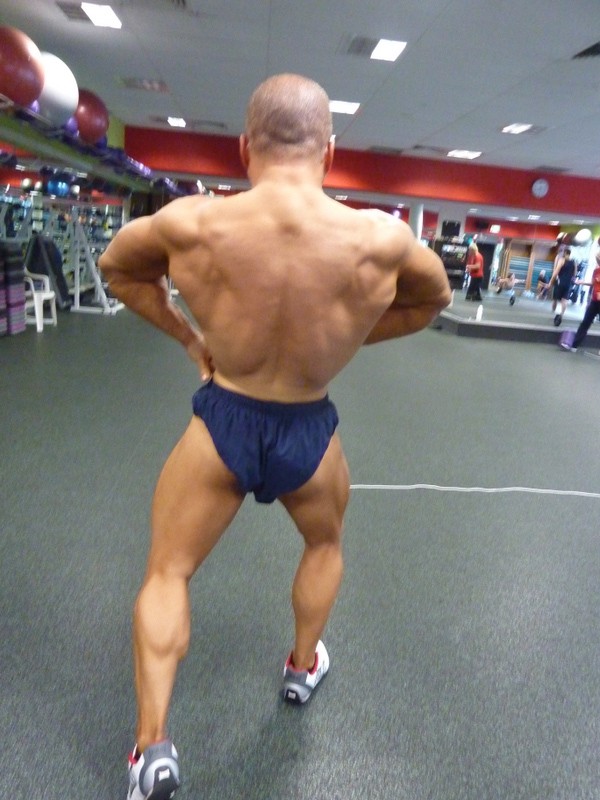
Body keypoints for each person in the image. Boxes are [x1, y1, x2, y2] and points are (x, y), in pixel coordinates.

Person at [98, 73, 451, 800]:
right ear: (330, 150)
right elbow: (433, 299)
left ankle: (151, 750)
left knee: (167, 573)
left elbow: (119, 270)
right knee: (324, 544)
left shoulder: (191, 224)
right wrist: (347, 338)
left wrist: (190, 339)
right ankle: (300, 666)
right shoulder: (381, 237)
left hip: (223, 421)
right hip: (309, 432)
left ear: (244, 147)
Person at [560, 252, 600, 351]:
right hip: (595, 301)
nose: (597, 261)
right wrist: (581, 282)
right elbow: (593, 283)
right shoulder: (596, 270)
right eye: (597, 259)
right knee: (585, 322)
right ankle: (574, 345)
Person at [549, 247, 577, 325]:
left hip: (560, 281)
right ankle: (561, 315)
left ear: (565, 253)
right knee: (564, 300)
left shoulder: (562, 260)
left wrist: (551, 282)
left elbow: (556, 272)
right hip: (568, 283)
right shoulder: (574, 262)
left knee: (555, 298)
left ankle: (553, 311)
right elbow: (574, 274)